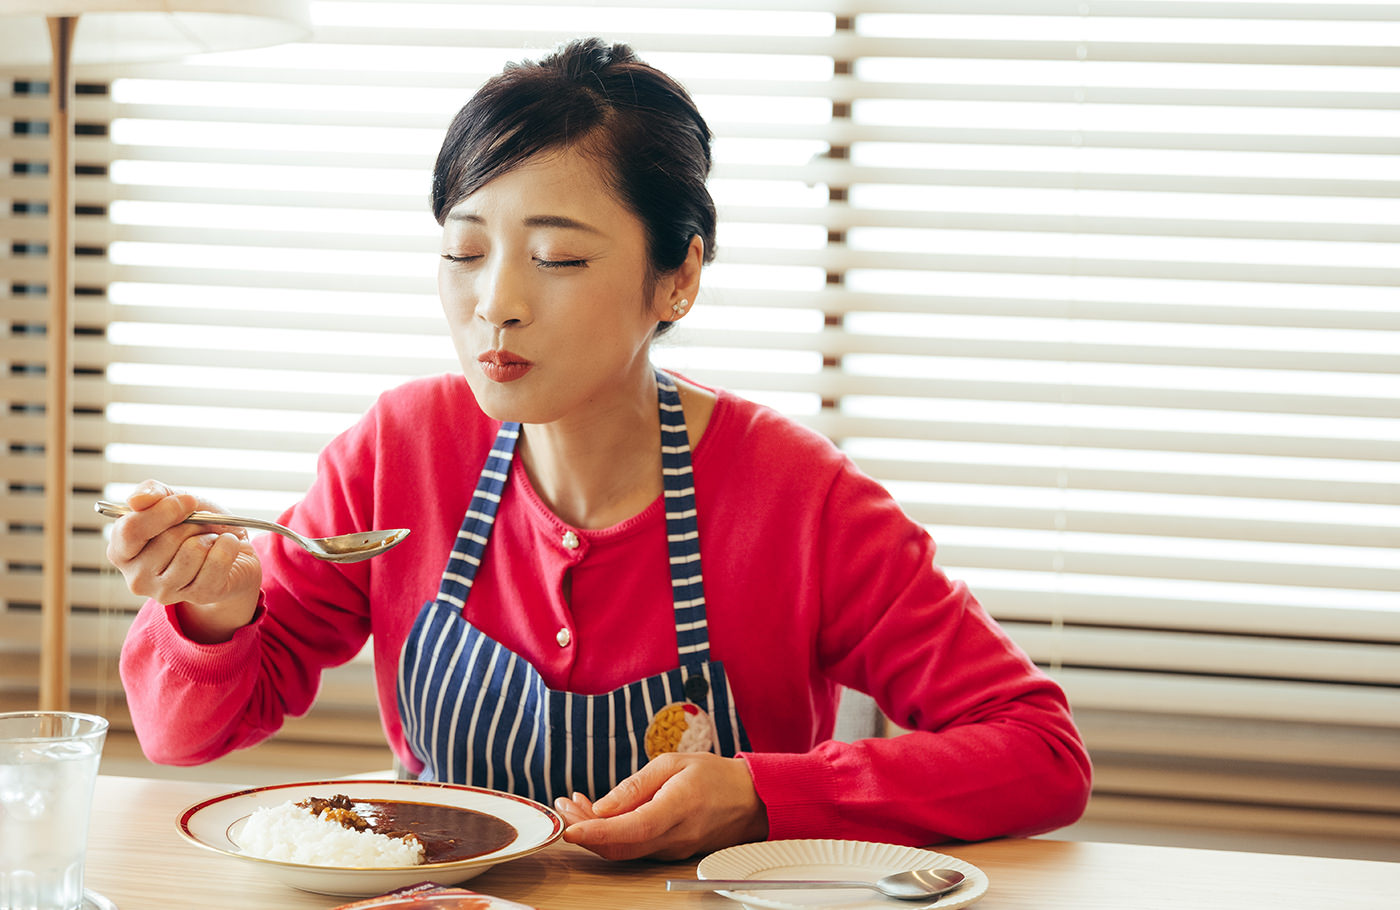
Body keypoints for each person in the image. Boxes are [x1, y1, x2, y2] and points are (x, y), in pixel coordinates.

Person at [109, 37, 1091, 862]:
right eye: (464, 251)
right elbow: (183, 735)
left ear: (678, 277)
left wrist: (756, 793)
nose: (495, 300)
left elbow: (1037, 750)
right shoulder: (397, 448)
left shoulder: (798, 498)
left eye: (558, 257)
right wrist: (213, 608)